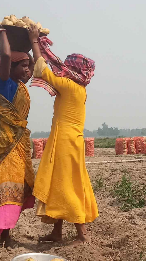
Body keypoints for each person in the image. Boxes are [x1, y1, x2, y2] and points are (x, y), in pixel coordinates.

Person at [31, 35, 98, 245]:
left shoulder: (69, 86)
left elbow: (43, 70)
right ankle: (57, 232)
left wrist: (34, 41)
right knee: (60, 183)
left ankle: (82, 233)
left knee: (67, 184)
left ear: (73, 70)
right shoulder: (80, 89)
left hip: (65, 142)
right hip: (71, 141)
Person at [0, 22, 49, 248]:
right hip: (8, 147)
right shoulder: (6, 85)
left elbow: (37, 65)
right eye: (22, 66)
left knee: (20, 186)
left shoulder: (21, 86)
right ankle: (4, 236)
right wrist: (1, 32)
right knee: (6, 186)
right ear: (9, 69)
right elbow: (4, 55)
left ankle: (6, 232)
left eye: (28, 66)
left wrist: (33, 40)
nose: (27, 70)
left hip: (19, 145)